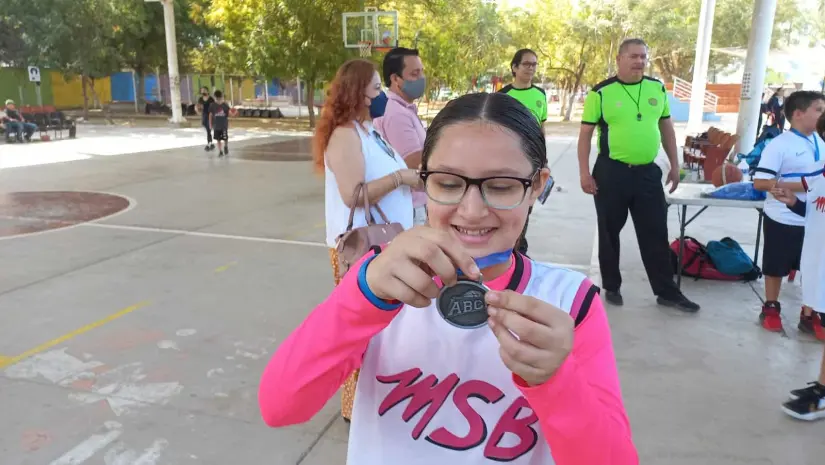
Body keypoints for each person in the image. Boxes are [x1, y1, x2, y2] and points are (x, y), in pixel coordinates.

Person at [259, 92, 638, 464]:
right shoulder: (381, 280)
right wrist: (360, 298)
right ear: (423, 180)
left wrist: (557, 381)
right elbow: (280, 407)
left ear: (537, 186)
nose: (472, 211)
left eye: (501, 186)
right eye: (448, 183)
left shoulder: (570, 303)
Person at [311, 58, 418, 422]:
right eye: (375, 89)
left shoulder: (369, 131)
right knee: (359, 330)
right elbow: (353, 195)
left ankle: (374, 401)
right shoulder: (345, 134)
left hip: (386, 244)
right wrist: (402, 179)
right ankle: (353, 410)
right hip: (362, 247)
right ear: (357, 94)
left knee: (381, 329)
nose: (381, 96)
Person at [578, 38, 699, 312]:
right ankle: (612, 285)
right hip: (611, 173)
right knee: (609, 232)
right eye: (633, 56)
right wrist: (584, 173)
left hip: (647, 173)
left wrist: (674, 164)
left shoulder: (656, 88)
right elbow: (585, 136)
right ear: (620, 59)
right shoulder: (601, 92)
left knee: (655, 232)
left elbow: (667, 128)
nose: (639, 62)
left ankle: (667, 291)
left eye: (643, 57)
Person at [753, 90, 825, 334]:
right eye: (819, 110)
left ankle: (809, 313)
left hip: (814, 218)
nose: (823, 115)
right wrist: (802, 186)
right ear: (798, 114)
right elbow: (760, 182)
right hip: (783, 216)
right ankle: (771, 306)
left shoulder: (820, 141)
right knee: (776, 265)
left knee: (812, 266)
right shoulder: (779, 144)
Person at [773, 171, 825, 420]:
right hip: (818, 263)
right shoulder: (820, 173)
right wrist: (794, 202)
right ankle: (823, 387)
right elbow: (815, 213)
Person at [499, 48, 547, 256]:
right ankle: (508, 249)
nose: (531, 68)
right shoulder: (503, 96)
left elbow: (542, 128)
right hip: (508, 162)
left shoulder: (540, 94)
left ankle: (519, 251)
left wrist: (544, 159)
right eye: (526, 64)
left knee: (526, 207)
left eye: (534, 64)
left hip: (533, 161)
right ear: (515, 67)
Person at [374, 47, 429, 226]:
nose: (421, 78)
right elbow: (413, 161)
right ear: (395, 79)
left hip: (414, 204)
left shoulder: (404, 109)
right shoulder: (396, 113)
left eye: (421, 72)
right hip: (411, 207)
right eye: (414, 73)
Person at [208, 90, 231, 157]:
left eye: (220, 98)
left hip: (224, 125)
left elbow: (228, 114)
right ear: (215, 97)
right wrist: (210, 124)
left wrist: (233, 113)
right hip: (216, 126)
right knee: (218, 139)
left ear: (222, 97)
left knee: (225, 138)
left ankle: (225, 146)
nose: (218, 100)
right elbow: (210, 115)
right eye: (217, 98)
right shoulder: (212, 105)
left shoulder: (225, 105)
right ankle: (220, 151)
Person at [197, 87, 215, 151]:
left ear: (207, 91)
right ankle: (211, 144)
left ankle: (209, 144)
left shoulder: (211, 99)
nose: (203, 92)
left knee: (208, 130)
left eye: (204, 90)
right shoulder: (200, 99)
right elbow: (198, 107)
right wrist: (198, 110)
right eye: (201, 91)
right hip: (204, 115)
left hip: (210, 115)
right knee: (206, 127)